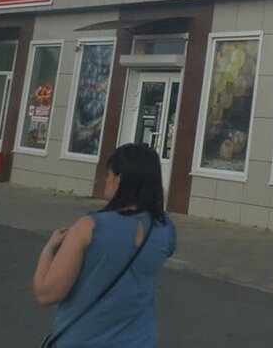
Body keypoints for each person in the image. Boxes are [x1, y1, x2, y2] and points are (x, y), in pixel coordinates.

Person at [33, 143, 177, 347]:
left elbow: (46, 294)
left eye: (109, 175)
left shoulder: (90, 227)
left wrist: (48, 250)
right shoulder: (165, 229)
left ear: (120, 179)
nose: (106, 181)